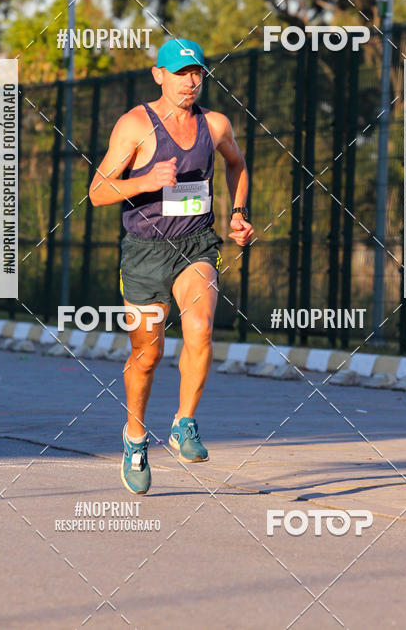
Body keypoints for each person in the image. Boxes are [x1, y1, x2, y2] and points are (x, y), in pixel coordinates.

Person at [89, 38, 254, 494]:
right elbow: (98, 191)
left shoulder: (214, 124)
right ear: (159, 75)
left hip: (196, 245)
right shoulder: (135, 125)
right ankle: (136, 437)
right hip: (144, 254)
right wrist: (145, 180)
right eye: (181, 73)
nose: (191, 81)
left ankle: (184, 423)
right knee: (147, 355)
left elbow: (238, 166)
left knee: (199, 327)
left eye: (197, 72)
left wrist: (239, 214)